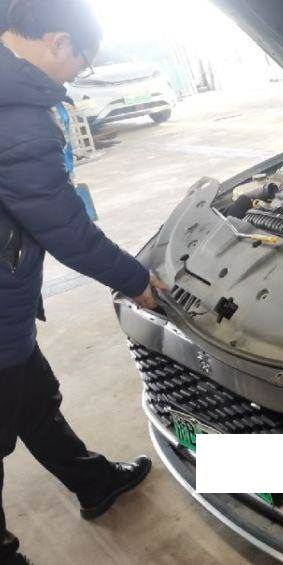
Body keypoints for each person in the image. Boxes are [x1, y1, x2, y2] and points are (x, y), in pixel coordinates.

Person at [0, 1, 168, 563]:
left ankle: (94, 483)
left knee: (33, 398)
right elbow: (67, 230)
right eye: (82, 61)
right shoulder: (17, 117)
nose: (79, 75)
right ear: (57, 42)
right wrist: (136, 279)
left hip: (6, 300)